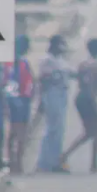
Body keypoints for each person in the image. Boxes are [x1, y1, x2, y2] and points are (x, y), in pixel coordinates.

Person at [61, 38, 97, 173]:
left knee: (89, 132)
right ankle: (93, 164)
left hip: (80, 98)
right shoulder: (94, 65)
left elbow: (79, 79)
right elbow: (91, 86)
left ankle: (65, 156)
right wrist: (95, 104)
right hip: (88, 99)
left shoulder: (83, 64)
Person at [35, 36, 72, 173]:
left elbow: (72, 73)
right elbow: (43, 81)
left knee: (59, 130)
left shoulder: (61, 61)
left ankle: (56, 162)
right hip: (51, 95)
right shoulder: (47, 60)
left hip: (62, 95)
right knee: (51, 130)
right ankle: (43, 163)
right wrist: (41, 100)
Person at [4, 35, 35, 173]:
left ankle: (15, 161)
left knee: (17, 132)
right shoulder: (14, 63)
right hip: (18, 100)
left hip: (22, 99)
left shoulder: (21, 62)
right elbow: (9, 82)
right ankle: (14, 162)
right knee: (18, 132)